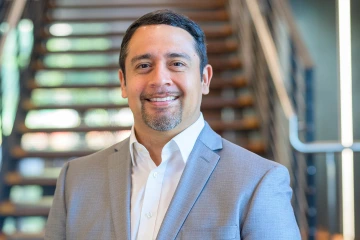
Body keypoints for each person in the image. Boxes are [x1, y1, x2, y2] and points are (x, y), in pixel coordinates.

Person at [45, 9, 301, 240]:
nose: (160, 79)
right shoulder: (75, 180)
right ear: (123, 82)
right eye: (144, 65)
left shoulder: (259, 181)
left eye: (177, 64)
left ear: (204, 78)